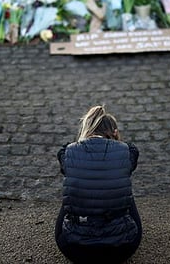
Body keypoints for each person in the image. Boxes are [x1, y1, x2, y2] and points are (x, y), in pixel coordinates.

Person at [55, 105, 142, 264]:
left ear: (87, 129)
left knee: (74, 189)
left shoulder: (68, 152)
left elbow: (62, 153)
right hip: (122, 249)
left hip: (74, 249)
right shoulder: (125, 151)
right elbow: (132, 152)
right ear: (114, 133)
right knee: (123, 189)